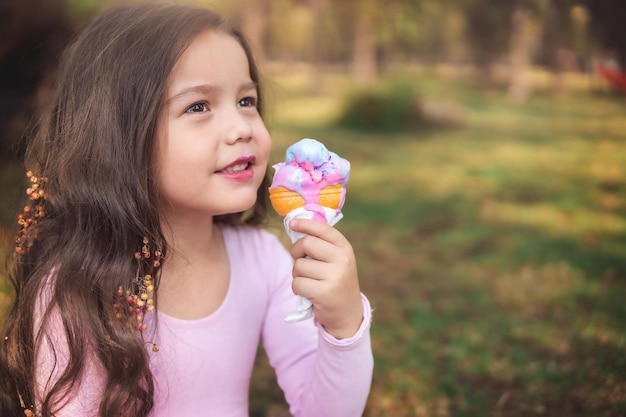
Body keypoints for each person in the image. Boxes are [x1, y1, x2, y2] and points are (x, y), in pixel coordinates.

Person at [0, 3, 373, 417]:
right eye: (199, 106)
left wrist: (344, 327)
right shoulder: (75, 291)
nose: (242, 127)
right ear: (121, 136)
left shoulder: (264, 261)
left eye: (246, 100)